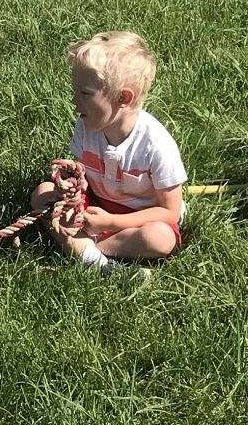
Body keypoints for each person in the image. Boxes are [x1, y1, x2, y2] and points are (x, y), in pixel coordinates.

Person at [32, 31, 186, 273]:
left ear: (123, 97)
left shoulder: (156, 145)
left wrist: (112, 222)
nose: (74, 101)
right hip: (94, 206)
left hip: (139, 217)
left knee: (159, 238)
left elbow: (170, 212)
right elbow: (82, 175)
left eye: (85, 93)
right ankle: (100, 262)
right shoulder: (86, 125)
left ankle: (86, 252)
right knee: (42, 193)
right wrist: (71, 189)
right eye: (75, 91)